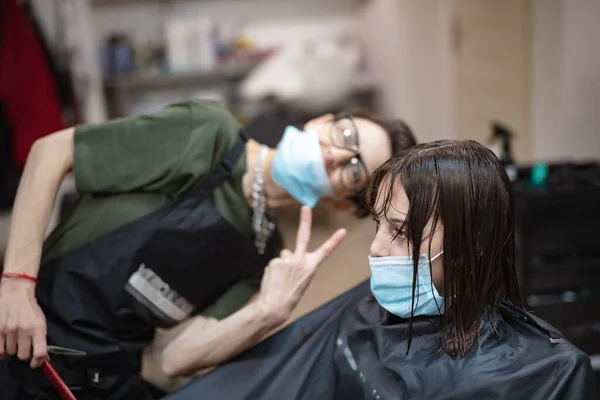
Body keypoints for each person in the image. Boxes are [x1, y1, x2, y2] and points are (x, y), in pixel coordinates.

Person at [0, 99, 417, 399]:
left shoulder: (264, 253)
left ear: (340, 203)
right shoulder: (210, 134)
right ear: (322, 120)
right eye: (345, 135)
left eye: (355, 169)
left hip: (96, 376)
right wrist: (17, 285)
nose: (336, 155)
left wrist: (266, 314)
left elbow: (175, 360)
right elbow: (50, 152)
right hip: (21, 329)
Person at [166, 140, 597, 400]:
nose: (374, 248)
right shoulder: (366, 311)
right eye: (378, 225)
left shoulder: (547, 377)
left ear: (471, 244)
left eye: (401, 232)